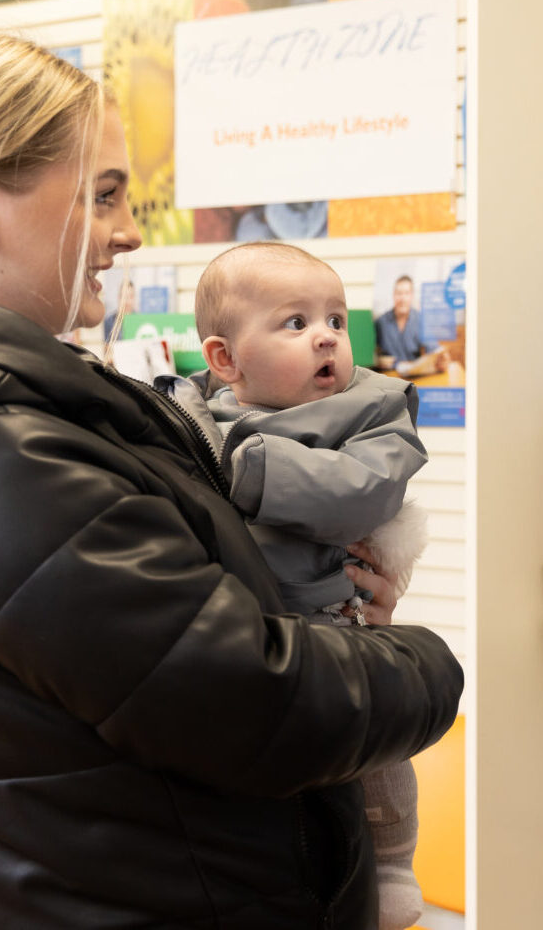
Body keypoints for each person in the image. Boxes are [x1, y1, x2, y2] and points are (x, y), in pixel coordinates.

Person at [0, 26, 463, 928]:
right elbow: (245, 699)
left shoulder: (56, 405)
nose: (126, 232)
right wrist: (425, 664)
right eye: (105, 194)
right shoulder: (6, 446)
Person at [157, 241, 431, 930]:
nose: (326, 337)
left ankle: (394, 856)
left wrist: (254, 470)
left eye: (335, 319)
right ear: (224, 359)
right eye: (295, 322)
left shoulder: (372, 407)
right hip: (242, 626)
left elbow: (363, 492)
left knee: (373, 744)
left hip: (332, 611)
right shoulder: (197, 420)